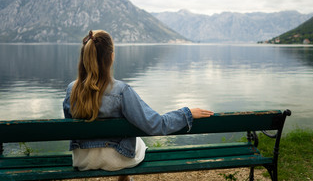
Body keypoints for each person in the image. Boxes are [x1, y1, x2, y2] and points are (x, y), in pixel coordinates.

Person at [63, 30, 214, 181]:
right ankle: (125, 178)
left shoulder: (72, 89)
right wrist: (186, 113)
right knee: (138, 143)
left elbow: (72, 127)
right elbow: (156, 125)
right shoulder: (121, 91)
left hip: (83, 160)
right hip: (115, 160)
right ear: (111, 56)